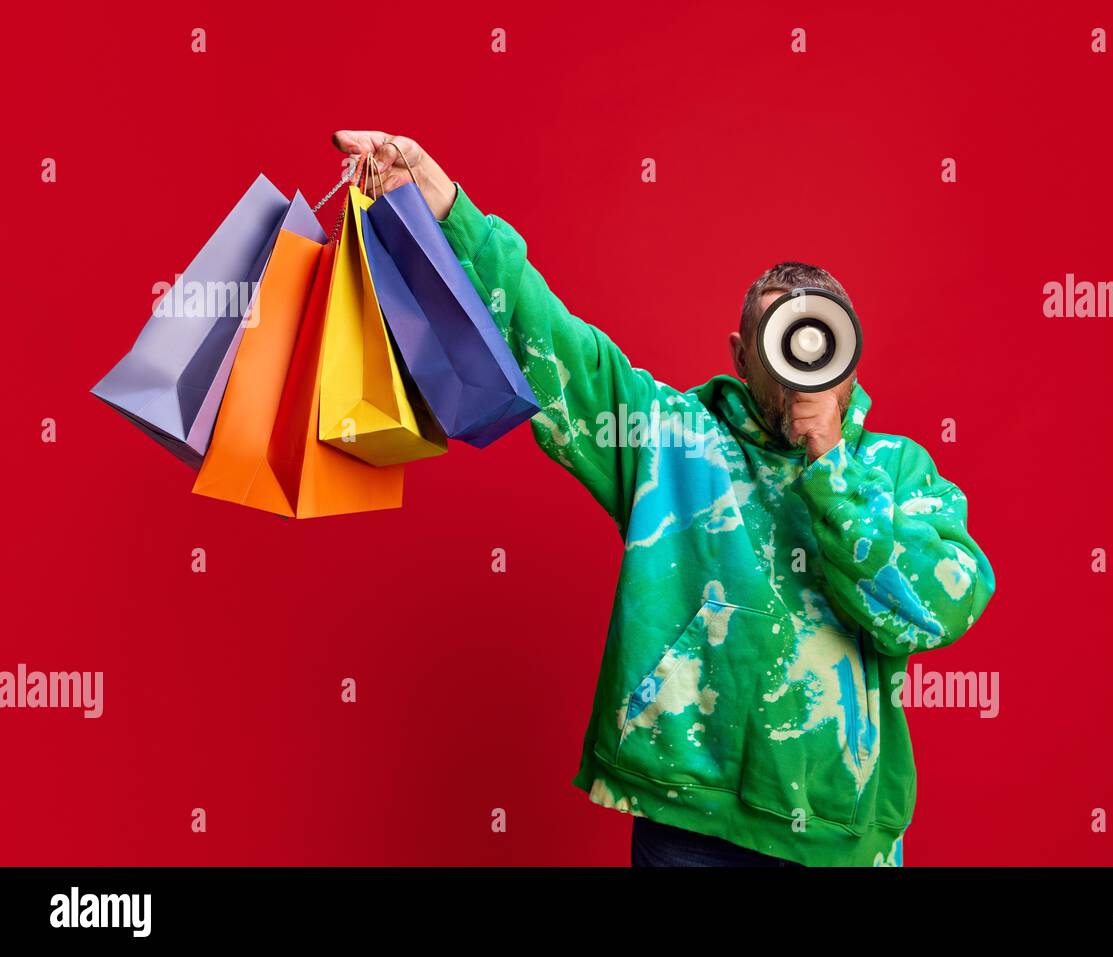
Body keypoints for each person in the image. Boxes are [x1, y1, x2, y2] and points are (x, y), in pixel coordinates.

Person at [333, 130, 996, 867]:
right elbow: (551, 343)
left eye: (816, 342)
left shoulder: (898, 472)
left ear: (847, 357)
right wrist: (447, 209)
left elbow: (932, 614)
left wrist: (830, 466)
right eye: (775, 342)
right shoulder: (672, 439)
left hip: (839, 838)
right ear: (740, 356)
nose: (798, 370)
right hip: (686, 824)